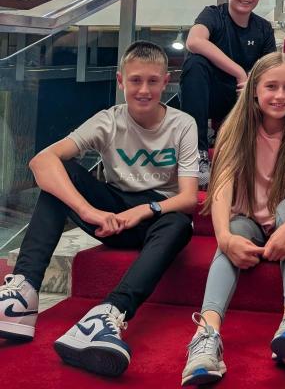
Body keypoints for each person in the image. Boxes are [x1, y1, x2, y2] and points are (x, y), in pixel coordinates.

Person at [0, 41, 198, 377]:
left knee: (180, 223)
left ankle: (108, 314)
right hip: (110, 213)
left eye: (153, 81)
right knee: (60, 175)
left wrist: (145, 210)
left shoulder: (183, 124)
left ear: (167, 81)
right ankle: (24, 291)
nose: (144, 90)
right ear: (121, 81)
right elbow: (41, 161)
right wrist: (88, 212)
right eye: (135, 81)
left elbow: (189, 197)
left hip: (155, 218)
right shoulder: (108, 120)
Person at [181, 52, 285, 386]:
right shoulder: (236, 123)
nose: (280, 95)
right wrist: (224, 238)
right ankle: (206, 337)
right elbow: (221, 188)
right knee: (234, 230)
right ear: (255, 90)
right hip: (245, 216)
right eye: (271, 86)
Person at [180, 0, 276, 188]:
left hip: (241, 98)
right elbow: (194, 41)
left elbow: (271, 67)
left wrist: (251, 82)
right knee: (195, 64)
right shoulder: (213, 15)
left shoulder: (263, 28)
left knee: (271, 83)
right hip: (210, 93)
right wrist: (240, 72)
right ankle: (199, 153)